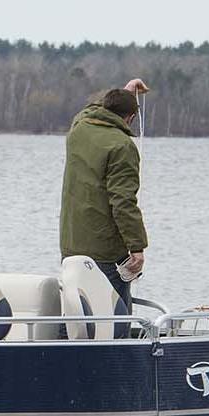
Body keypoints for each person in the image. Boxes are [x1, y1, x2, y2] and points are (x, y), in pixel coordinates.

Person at [59, 78, 150, 309]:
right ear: (130, 117)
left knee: (75, 314)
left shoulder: (80, 126)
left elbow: (93, 109)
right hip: (106, 252)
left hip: (71, 246)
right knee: (112, 320)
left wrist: (124, 92)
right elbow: (123, 202)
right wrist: (137, 248)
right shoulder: (122, 146)